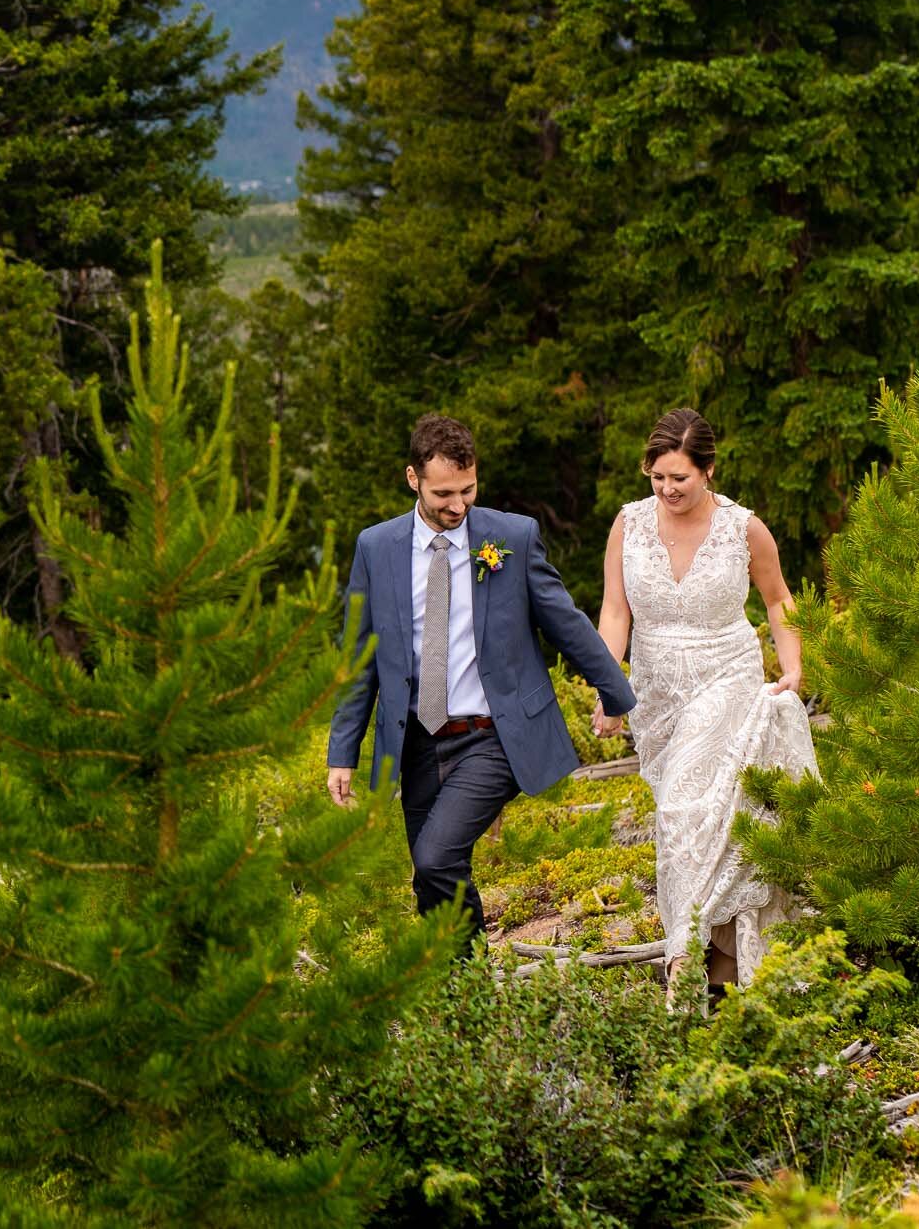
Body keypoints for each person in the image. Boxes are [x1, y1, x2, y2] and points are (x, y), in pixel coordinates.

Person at [327, 414, 636, 954]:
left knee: (435, 857)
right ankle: (466, 999)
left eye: (468, 489)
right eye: (444, 492)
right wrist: (342, 751)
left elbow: (565, 621)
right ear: (412, 479)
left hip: (493, 736)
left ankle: (469, 991)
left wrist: (614, 695)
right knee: (432, 878)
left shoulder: (511, 536)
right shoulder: (376, 548)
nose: (458, 504)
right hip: (417, 742)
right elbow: (361, 656)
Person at [594, 407, 817, 991]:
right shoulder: (629, 524)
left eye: (680, 479)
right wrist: (609, 688)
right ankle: (723, 956)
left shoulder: (743, 528)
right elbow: (616, 611)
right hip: (656, 694)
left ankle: (682, 957)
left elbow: (778, 599)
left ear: (709, 471)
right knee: (699, 824)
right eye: (658, 477)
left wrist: (792, 667)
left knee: (681, 812)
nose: (667, 489)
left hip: (725, 678)